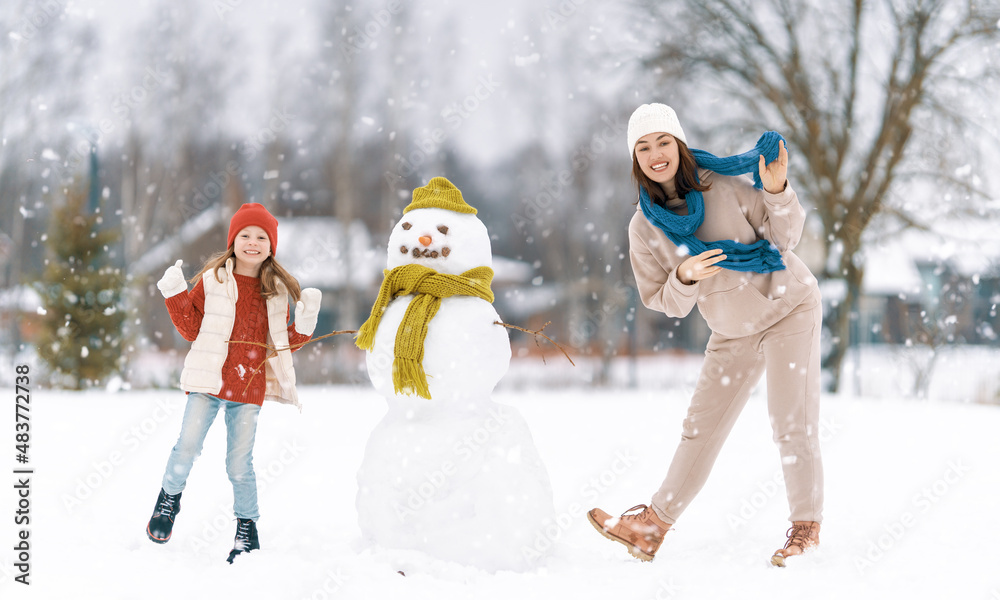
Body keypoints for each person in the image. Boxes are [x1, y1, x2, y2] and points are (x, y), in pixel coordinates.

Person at [588, 103, 824, 567]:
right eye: (643, 146)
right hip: (731, 330)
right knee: (700, 427)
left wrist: (776, 190)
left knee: (789, 420)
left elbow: (786, 237)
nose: (656, 154)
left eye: (663, 142)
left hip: (788, 308)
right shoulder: (644, 226)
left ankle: (806, 531)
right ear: (635, 159)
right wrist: (685, 275)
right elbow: (662, 300)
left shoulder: (726, 185)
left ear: (678, 145)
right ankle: (651, 527)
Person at [146, 203, 322, 564]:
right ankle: (168, 501)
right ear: (233, 240)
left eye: (261, 237)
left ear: (271, 246)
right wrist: (176, 293)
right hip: (208, 381)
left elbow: (281, 343)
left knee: (239, 465)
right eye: (245, 235)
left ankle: (247, 529)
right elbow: (191, 329)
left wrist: (304, 324)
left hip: (249, 388)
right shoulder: (214, 279)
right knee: (187, 446)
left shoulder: (275, 291)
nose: (253, 243)